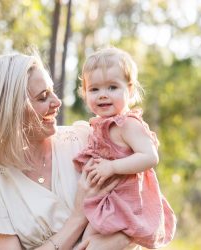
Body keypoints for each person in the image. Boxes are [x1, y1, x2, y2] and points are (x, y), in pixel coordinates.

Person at [0, 51, 137, 250]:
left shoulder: (86, 140)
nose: (57, 102)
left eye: (52, 91)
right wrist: (77, 219)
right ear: (10, 111)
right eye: (43, 97)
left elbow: (144, 203)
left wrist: (123, 239)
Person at [73, 47, 177, 249]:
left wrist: (112, 167)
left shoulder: (127, 124)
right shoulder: (101, 124)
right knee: (84, 242)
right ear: (85, 93)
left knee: (92, 245)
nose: (103, 95)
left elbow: (150, 157)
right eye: (94, 89)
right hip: (107, 201)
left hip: (126, 204)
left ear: (129, 91)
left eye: (112, 87)